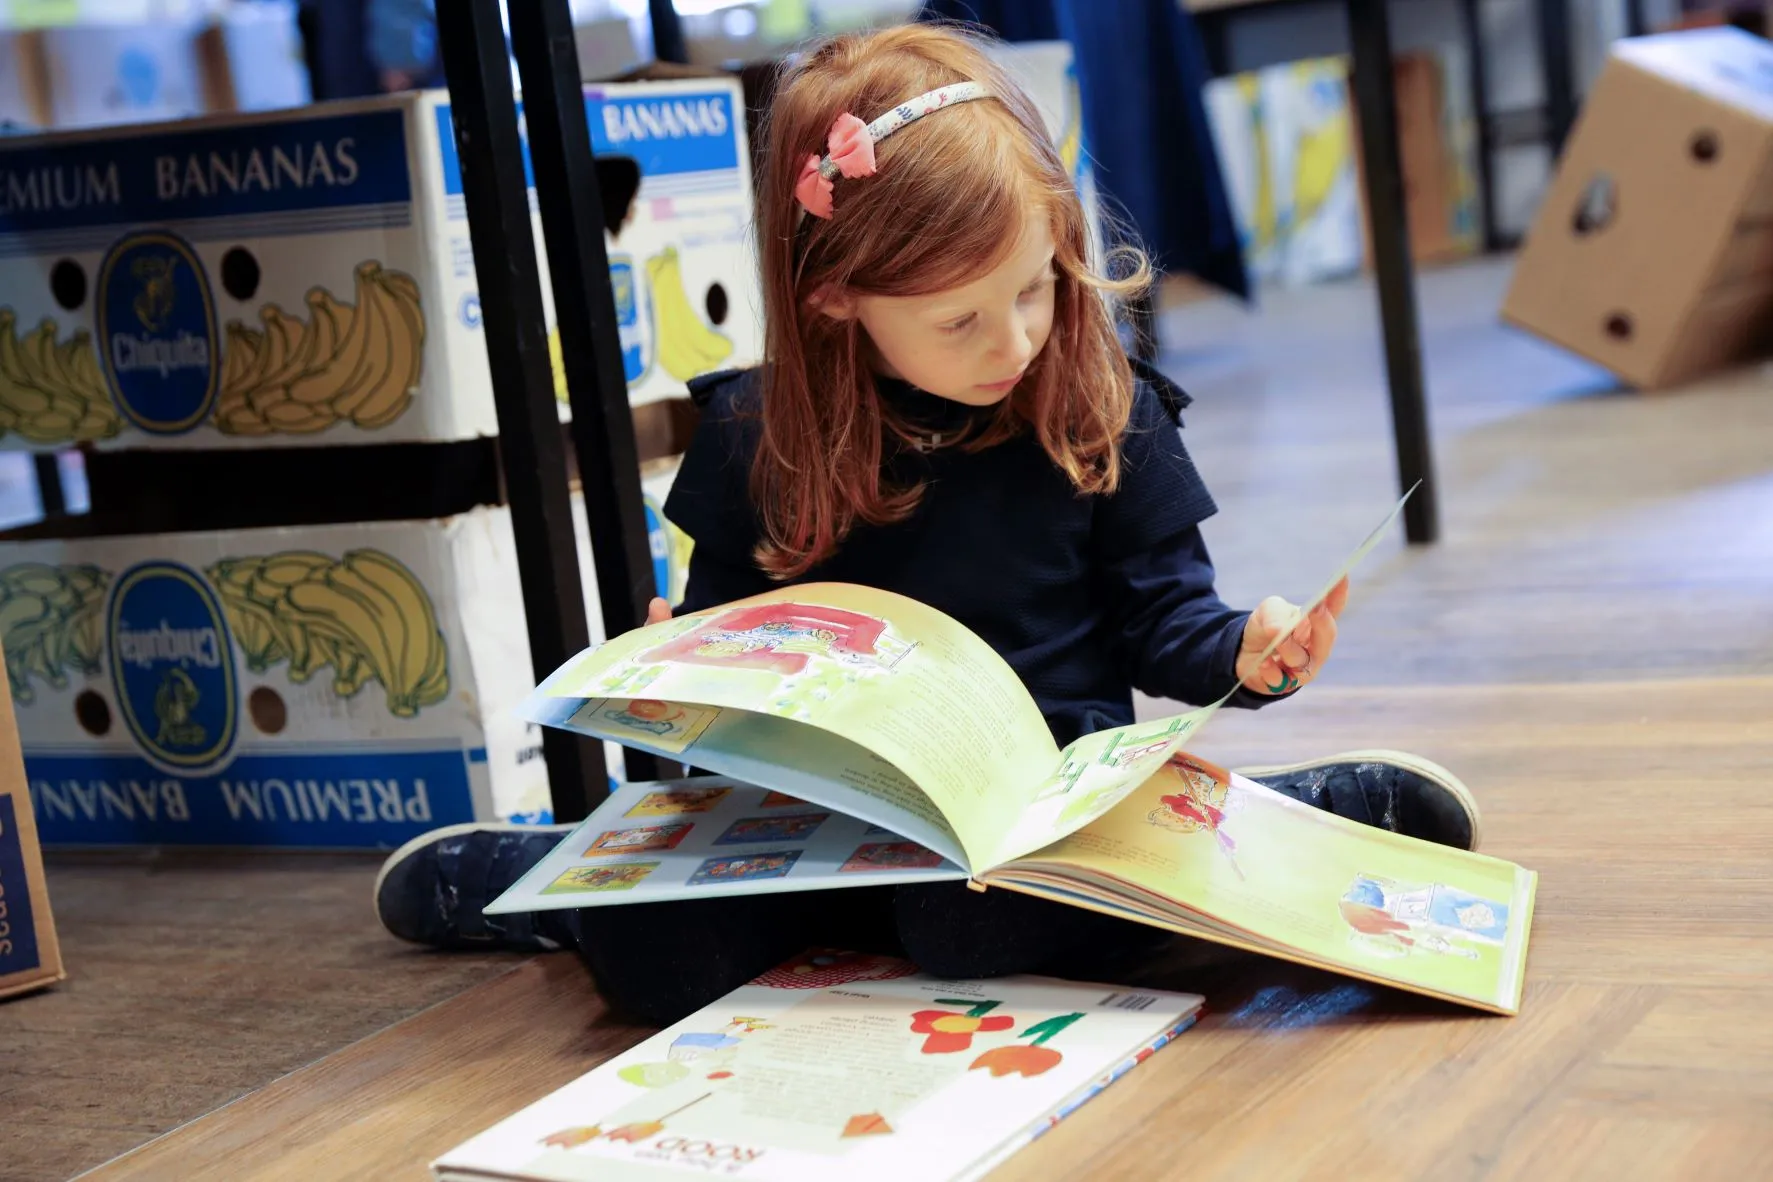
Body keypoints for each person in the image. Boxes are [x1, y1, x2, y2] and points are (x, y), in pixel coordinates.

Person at [372, 23, 1481, 1026]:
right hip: (818, 830)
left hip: (1036, 825)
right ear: (834, 297)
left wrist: (1246, 649)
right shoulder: (759, 433)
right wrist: (682, 683)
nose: (1015, 343)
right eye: (959, 320)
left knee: (976, 929)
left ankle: (1268, 823)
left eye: (1036, 288)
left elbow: (1164, 625)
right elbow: (724, 674)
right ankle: (556, 886)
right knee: (652, 961)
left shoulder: (1101, 405)